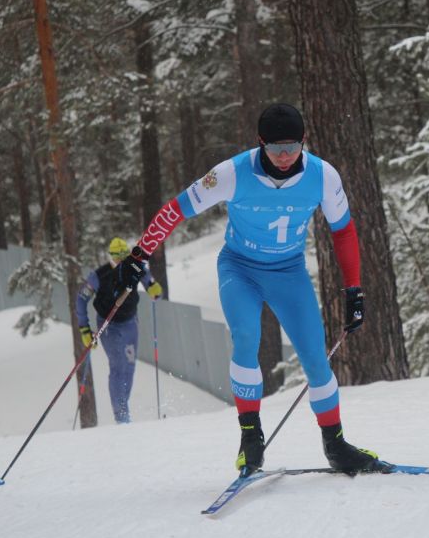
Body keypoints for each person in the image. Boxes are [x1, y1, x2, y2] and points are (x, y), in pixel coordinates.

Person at [115, 103, 386, 475]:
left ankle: (336, 445)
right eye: (275, 148)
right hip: (239, 268)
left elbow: (343, 230)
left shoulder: (323, 176)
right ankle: (251, 438)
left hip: (289, 272)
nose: (285, 156)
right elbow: (176, 209)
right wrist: (139, 254)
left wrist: (354, 289)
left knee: (316, 359)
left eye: (292, 147)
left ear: (304, 140)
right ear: (261, 143)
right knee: (246, 336)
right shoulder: (231, 173)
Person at [77, 237, 163, 423]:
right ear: (111, 257)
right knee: (118, 367)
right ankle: (121, 417)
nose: (121, 262)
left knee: (129, 368)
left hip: (130, 323)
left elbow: (150, 282)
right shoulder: (99, 275)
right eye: (117, 259)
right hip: (108, 325)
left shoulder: (134, 267)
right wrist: (85, 329)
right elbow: (81, 299)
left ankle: (123, 408)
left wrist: (154, 289)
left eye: (124, 258)